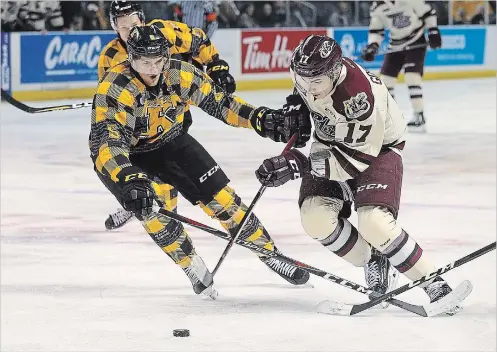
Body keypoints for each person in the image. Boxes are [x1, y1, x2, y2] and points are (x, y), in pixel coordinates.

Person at [89, 24, 311, 298]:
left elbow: (222, 104)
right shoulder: (115, 86)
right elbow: (107, 144)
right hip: (131, 156)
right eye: (144, 61)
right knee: (155, 212)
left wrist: (260, 118)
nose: (152, 69)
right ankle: (191, 265)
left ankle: (270, 254)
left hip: (171, 140)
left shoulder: (180, 73)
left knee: (224, 200)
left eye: (158, 60)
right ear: (131, 58)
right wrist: (128, 178)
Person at [253, 34, 461, 314]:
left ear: (334, 72)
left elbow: (354, 161)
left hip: (376, 150)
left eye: (316, 82)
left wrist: (299, 165)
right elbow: (303, 90)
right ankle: (374, 259)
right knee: (315, 218)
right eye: (303, 81)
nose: (309, 88)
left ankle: (435, 284)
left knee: (374, 222)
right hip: (330, 145)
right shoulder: (306, 73)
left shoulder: (358, 98)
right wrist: (296, 110)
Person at [98, 0, 236, 230]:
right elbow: (109, 98)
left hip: (172, 114)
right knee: (141, 168)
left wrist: (216, 65)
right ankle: (153, 209)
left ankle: (164, 214)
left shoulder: (163, 31)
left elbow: (198, 39)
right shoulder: (110, 56)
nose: (128, 30)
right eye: (121, 26)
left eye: (132, 23)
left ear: (141, 19)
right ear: (114, 27)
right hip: (138, 126)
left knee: (167, 165)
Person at [361, 0, 442, 133]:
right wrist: (373, 45)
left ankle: (419, 115)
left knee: (412, 77)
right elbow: (376, 30)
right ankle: (391, 118)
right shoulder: (378, 7)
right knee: (386, 80)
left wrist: (433, 30)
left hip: (416, 40)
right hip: (395, 45)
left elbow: (428, 13)